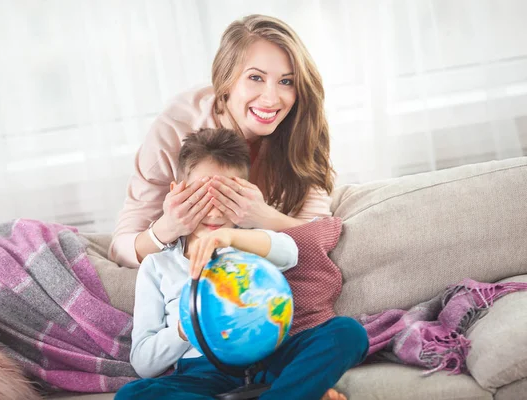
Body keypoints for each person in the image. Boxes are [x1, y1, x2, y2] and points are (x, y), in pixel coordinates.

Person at [115, 128, 367, 400]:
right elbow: (143, 362)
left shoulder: (250, 243)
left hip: (270, 357)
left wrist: (231, 236)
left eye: (227, 195)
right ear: (178, 193)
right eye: (201, 195)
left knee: (348, 333)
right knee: (133, 395)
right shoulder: (158, 265)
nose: (214, 210)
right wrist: (187, 327)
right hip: (203, 371)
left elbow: (290, 251)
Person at [110, 14, 335, 269]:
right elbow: (121, 248)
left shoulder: (302, 126)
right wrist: (167, 227)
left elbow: (322, 235)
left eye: (286, 81)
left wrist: (263, 217)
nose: (271, 99)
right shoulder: (174, 128)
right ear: (225, 81)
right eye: (255, 77)